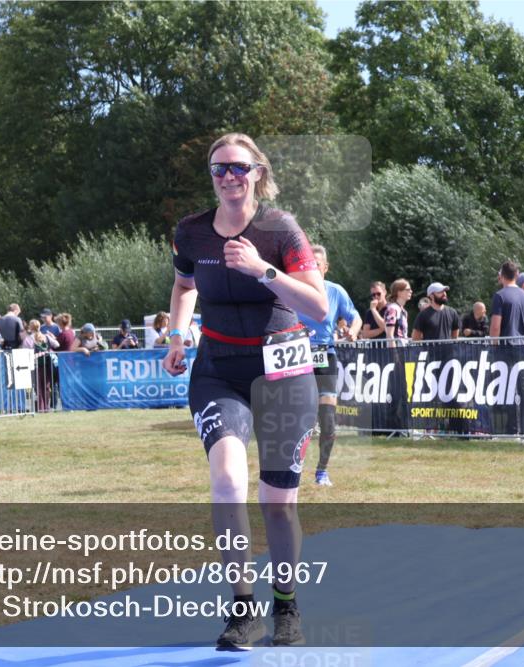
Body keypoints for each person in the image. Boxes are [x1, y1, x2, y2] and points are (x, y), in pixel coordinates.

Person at [163, 132, 326, 649]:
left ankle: (287, 605)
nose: (229, 176)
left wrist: (263, 269)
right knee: (228, 484)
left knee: (279, 503)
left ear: (257, 171)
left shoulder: (281, 229)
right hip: (218, 371)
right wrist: (176, 335)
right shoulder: (190, 233)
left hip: (283, 373)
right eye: (219, 169)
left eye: (238, 167)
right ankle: (242, 607)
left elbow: (318, 308)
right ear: (211, 176)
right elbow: (185, 286)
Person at [295, 244, 361, 487]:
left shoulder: (335, 291)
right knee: (300, 419)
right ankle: (293, 468)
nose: (312, 269)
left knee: (328, 419)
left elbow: (356, 318)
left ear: (325, 268)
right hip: (297, 356)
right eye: (308, 265)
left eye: (317, 265)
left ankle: (322, 471)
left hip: (325, 355)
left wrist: (353, 332)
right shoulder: (293, 289)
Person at [489, 260, 524, 436]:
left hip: (505, 347)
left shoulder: (500, 296)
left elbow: (495, 326)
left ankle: (512, 428)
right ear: (517, 275)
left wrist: (493, 344)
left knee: (508, 388)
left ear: (501, 276)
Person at [24, 318, 59, 411]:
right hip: (47, 365)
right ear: (39, 327)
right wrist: (52, 337)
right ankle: (46, 407)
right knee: (47, 387)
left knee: (38, 387)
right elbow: (57, 344)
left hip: (36, 365)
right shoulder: (46, 336)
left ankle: (41, 407)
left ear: (30, 327)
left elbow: (26, 351)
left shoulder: (28, 339)